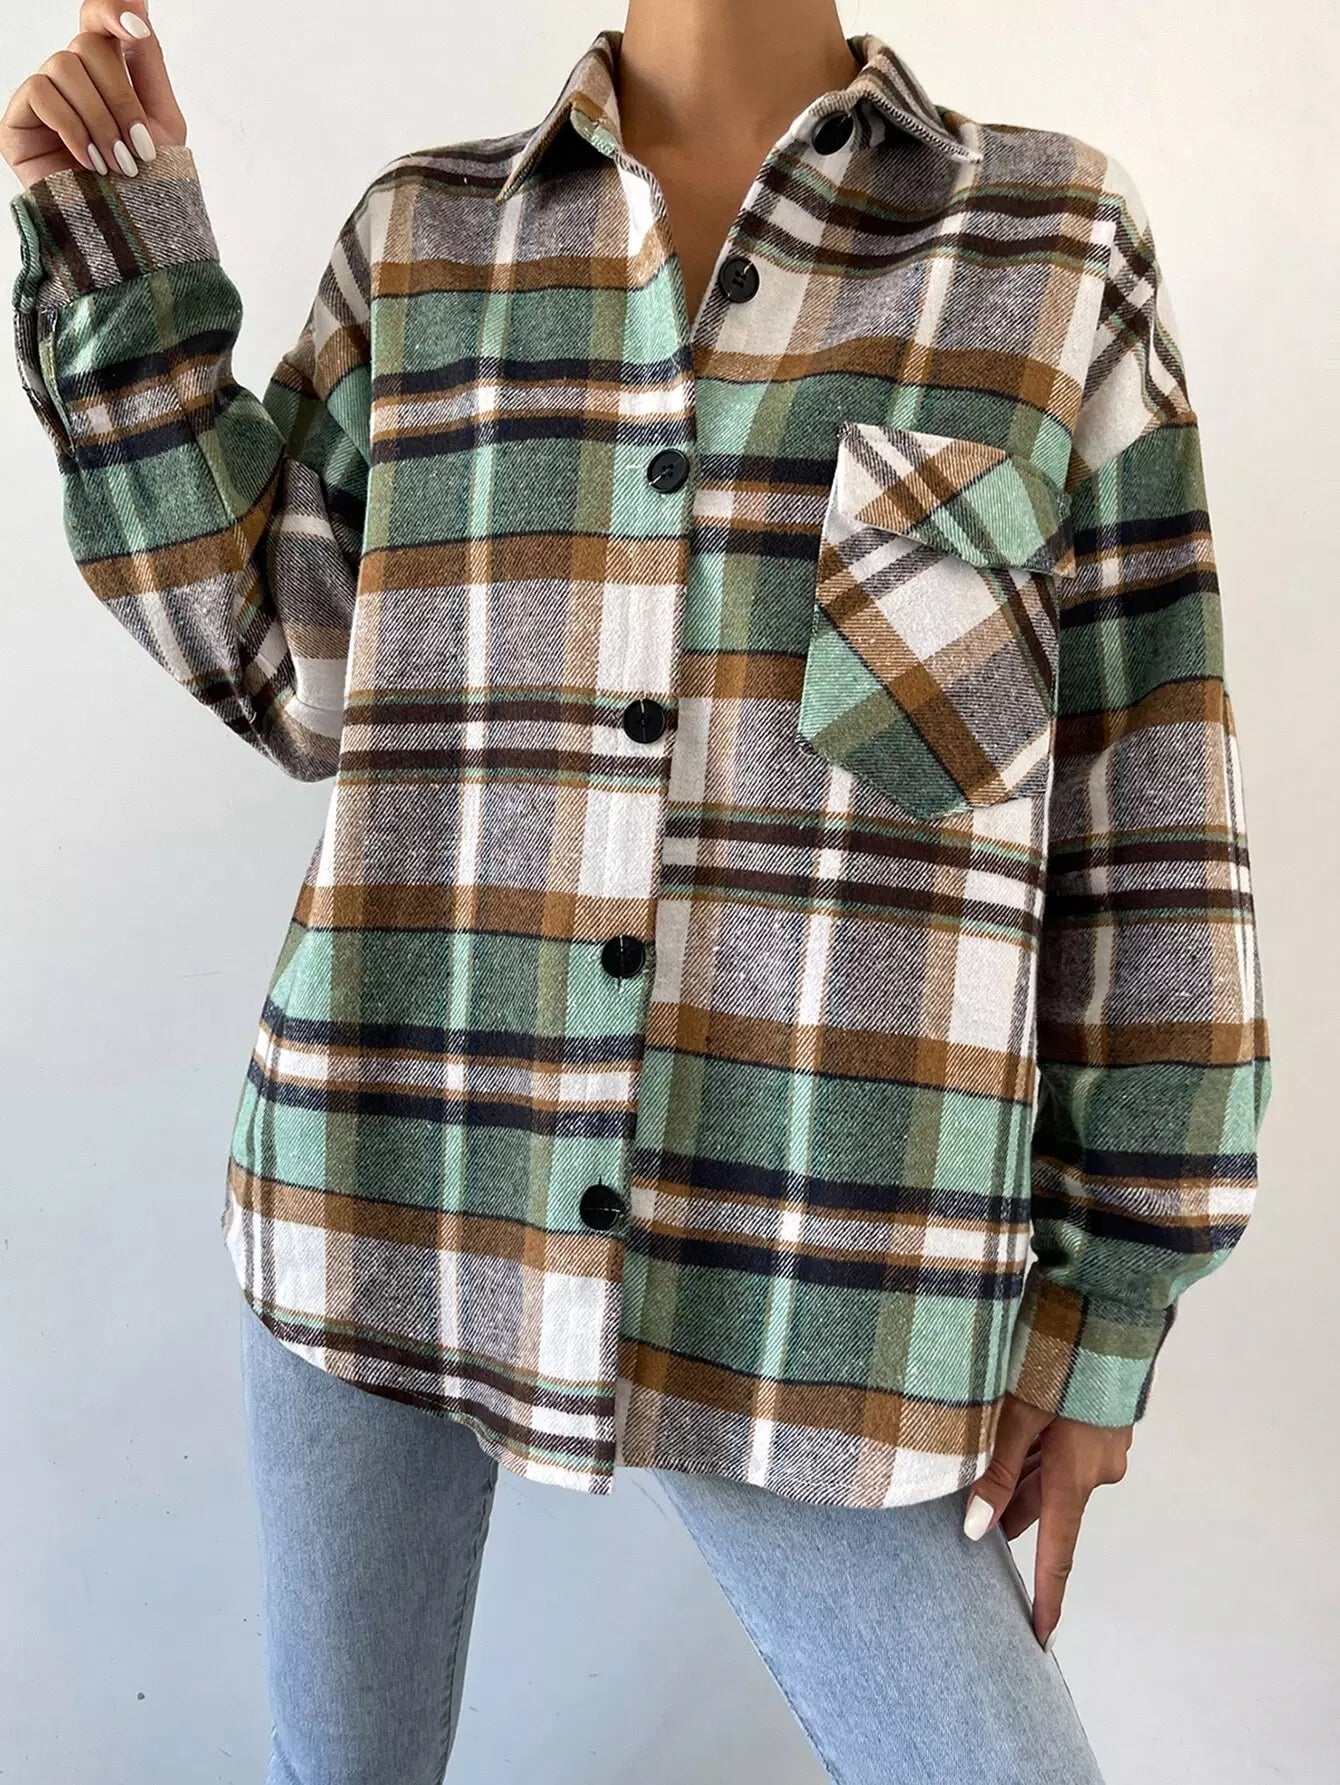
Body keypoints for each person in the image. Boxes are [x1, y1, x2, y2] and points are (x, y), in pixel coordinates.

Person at [3, 2, 1272, 1781]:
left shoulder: (1052, 256)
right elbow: (293, 668)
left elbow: (1152, 817)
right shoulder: (425, 239)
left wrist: (1108, 1302)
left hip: (821, 1268)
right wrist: (121, 249)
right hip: (382, 1172)